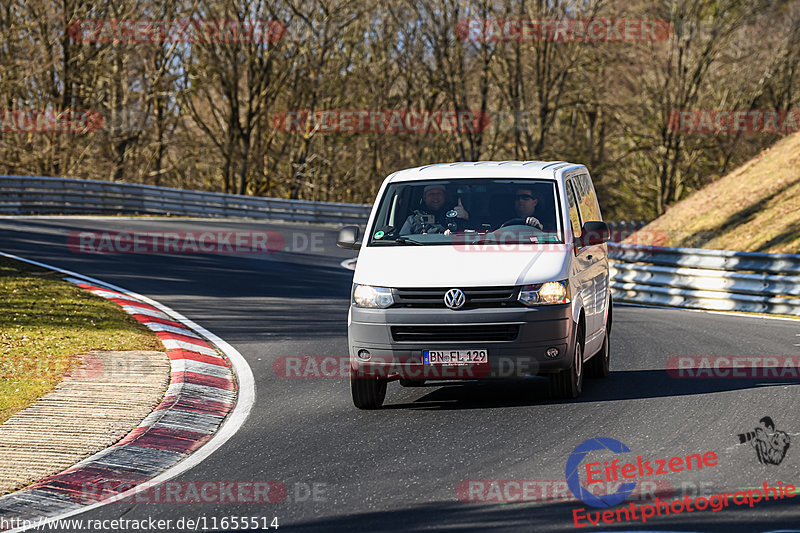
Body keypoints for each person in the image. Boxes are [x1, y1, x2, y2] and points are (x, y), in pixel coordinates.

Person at [400, 185, 469, 234]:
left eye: (439, 193)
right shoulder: (414, 219)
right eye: (431, 194)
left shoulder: (455, 214)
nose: (435, 197)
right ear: (424, 197)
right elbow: (402, 242)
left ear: (444, 196)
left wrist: (466, 216)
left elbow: (476, 232)